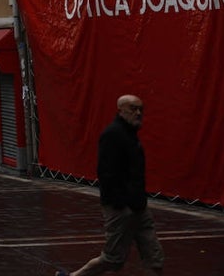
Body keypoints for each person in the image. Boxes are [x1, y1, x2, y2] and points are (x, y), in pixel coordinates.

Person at [56, 95, 164, 276]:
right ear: (121, 110)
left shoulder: (130, 135)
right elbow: (106, 173)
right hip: (121, 208)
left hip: (139, 207)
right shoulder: (113, 135)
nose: (138, 113)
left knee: (154, 258)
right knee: (112, 260)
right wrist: (121, 203)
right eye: (133, 108)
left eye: (140, 109)